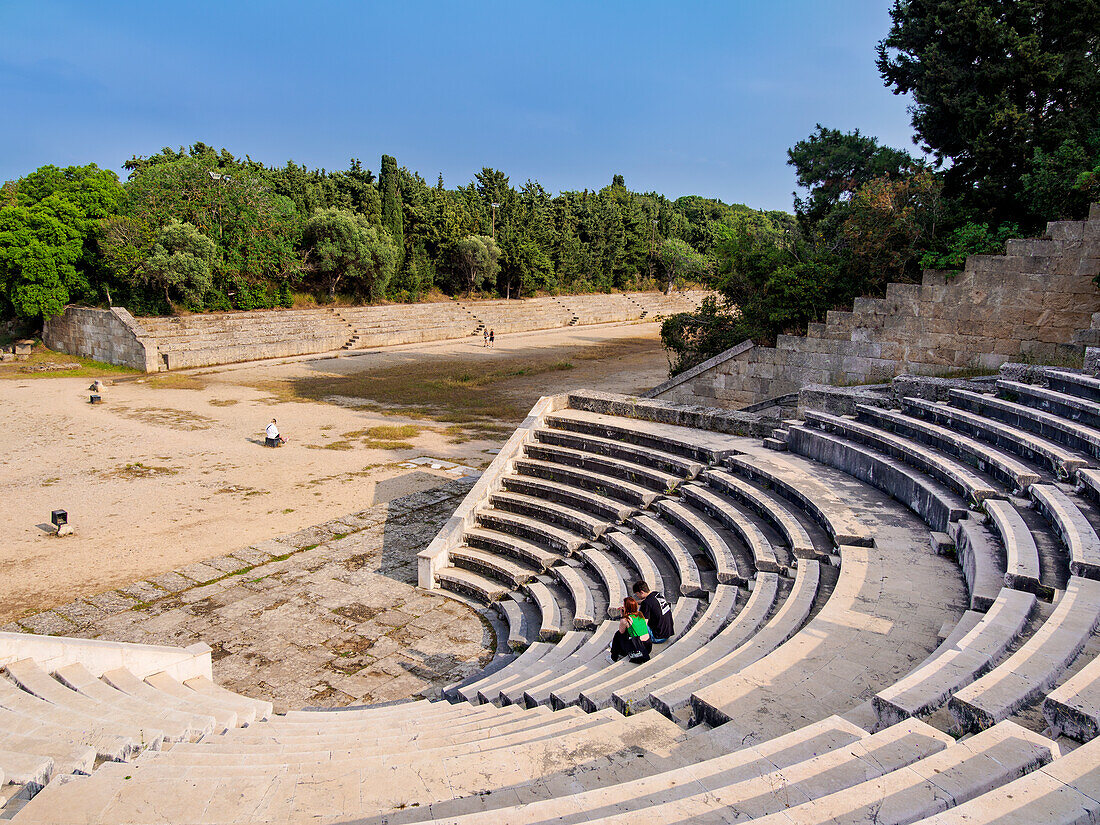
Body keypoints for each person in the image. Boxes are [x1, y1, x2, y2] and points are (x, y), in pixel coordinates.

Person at [607, 597, 652, 664]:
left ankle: (614, 657)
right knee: (627, 633)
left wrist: (622, 616)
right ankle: (620, 652)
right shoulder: (640, 614)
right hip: (647, 647)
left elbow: (621, 631)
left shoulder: (626, 620)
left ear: (626, 608)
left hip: (638, 648)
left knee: (618, 635)